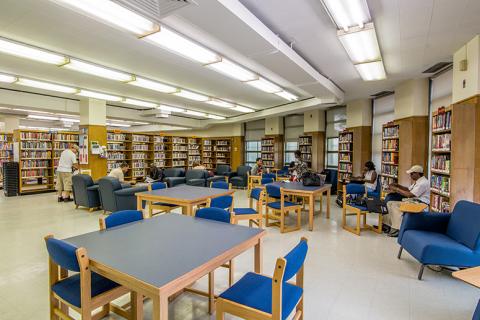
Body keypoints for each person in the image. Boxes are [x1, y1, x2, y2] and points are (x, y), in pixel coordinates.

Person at [383, 165, 430, 237]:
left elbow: (410, 195)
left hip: (420, 204)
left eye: (412, 174)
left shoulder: (423, 183)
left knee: (395, 205)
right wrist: (398, 185)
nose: (410, 175)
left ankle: (397, 228)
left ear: (417, 173)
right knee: (389, 203)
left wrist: (396, 189)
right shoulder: (418, 181)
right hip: (414, 201)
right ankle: (389, 225)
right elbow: (409, 189)